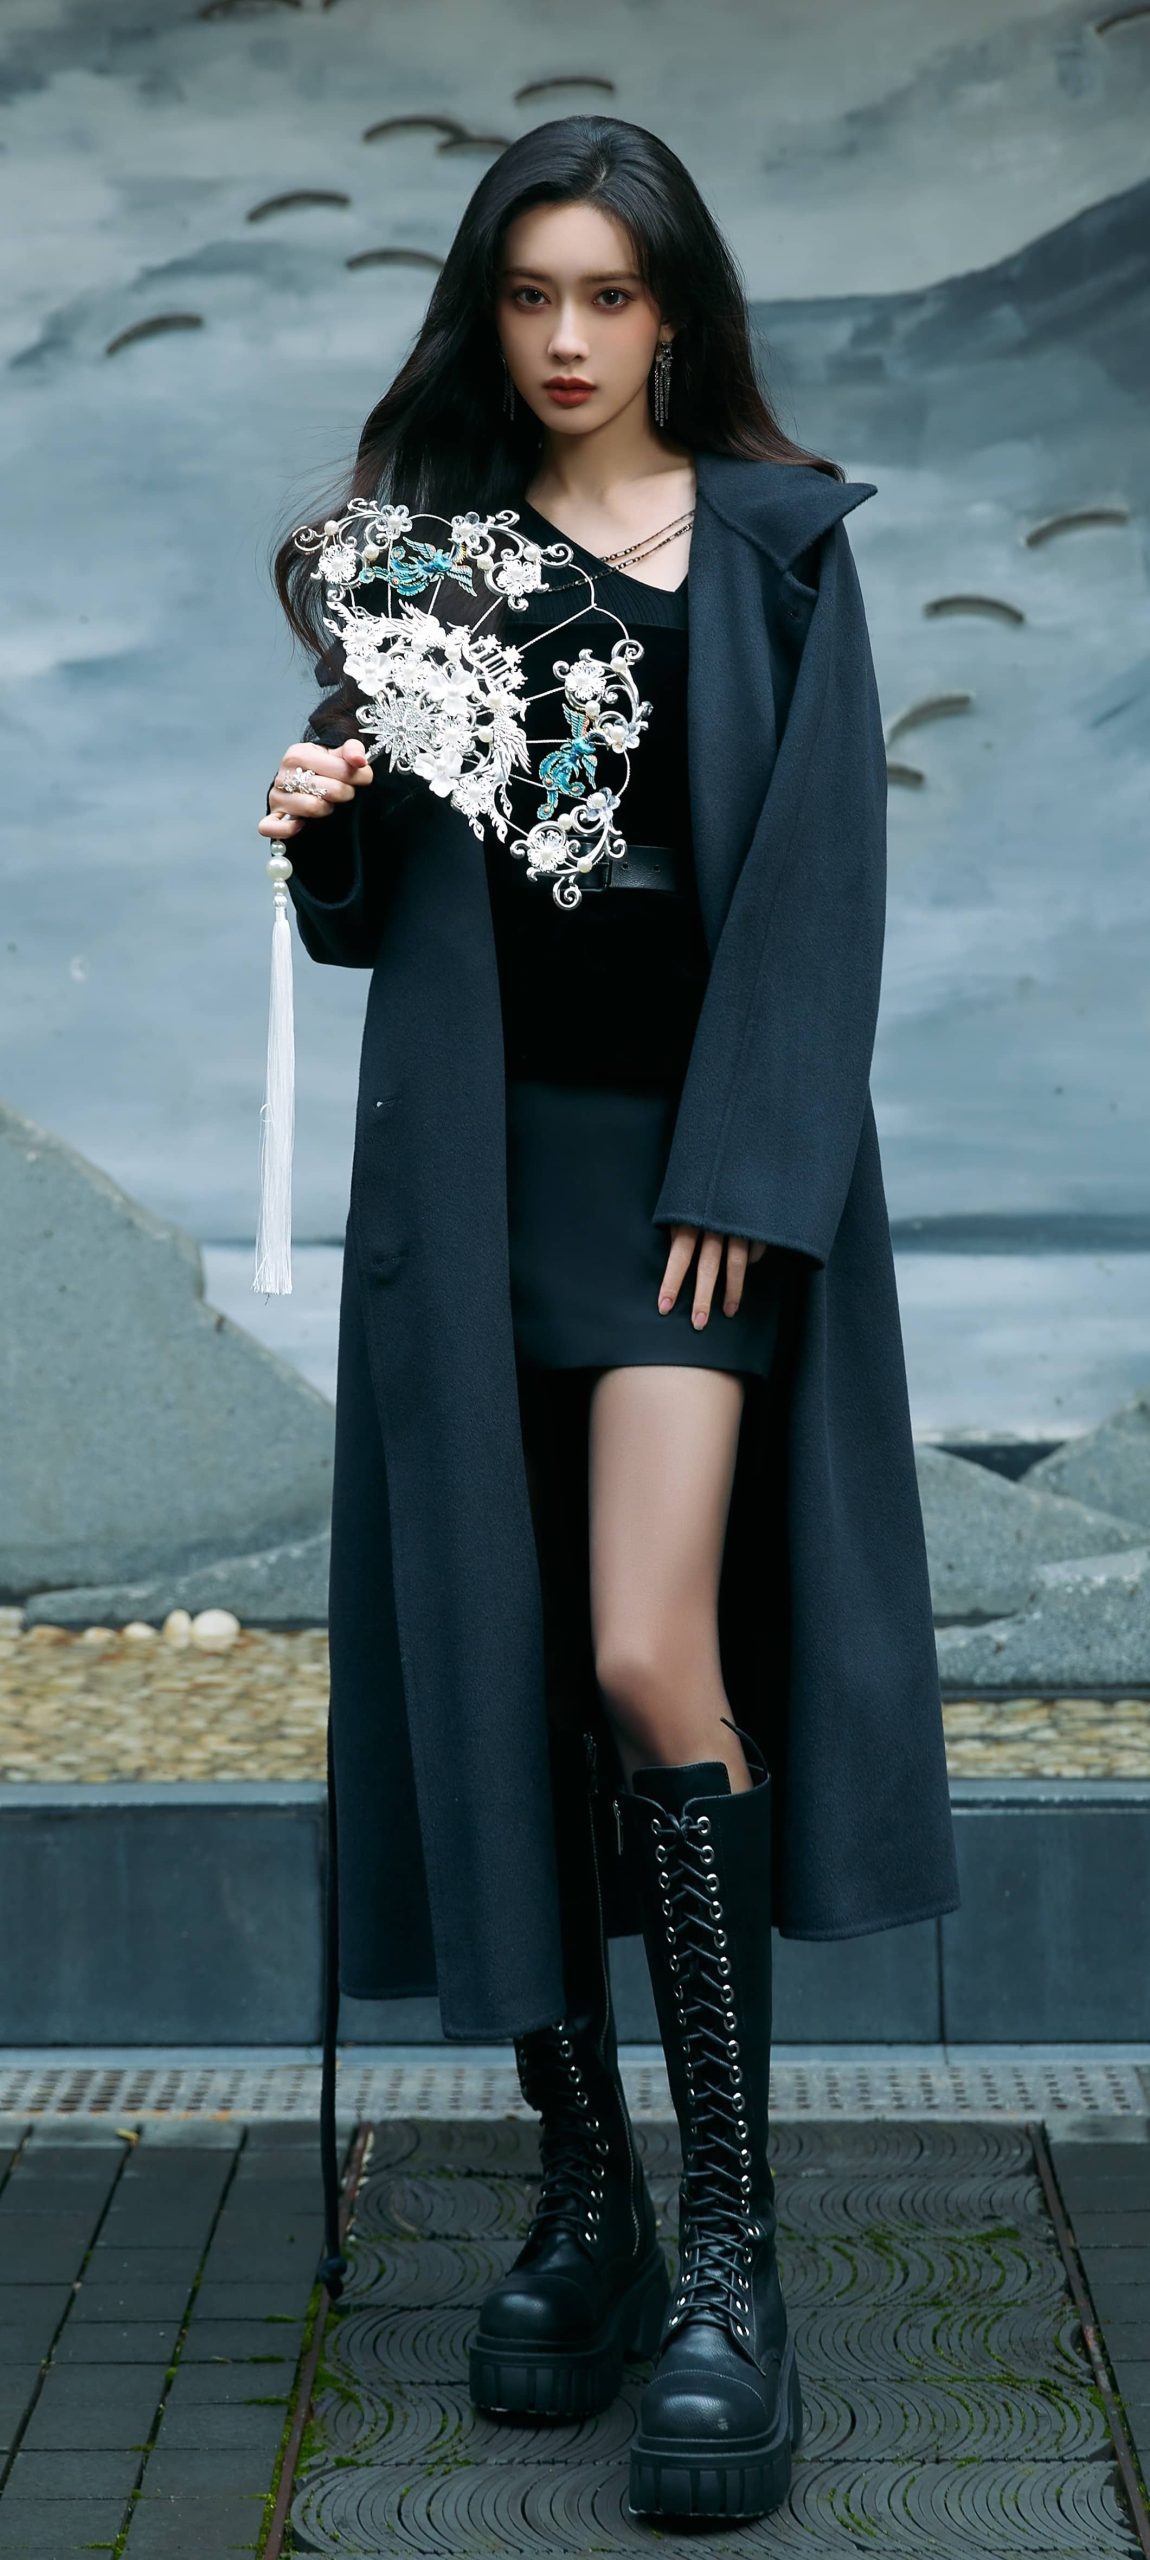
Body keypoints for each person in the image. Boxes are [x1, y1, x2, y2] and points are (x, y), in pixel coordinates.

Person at [259, 116, 960, 2524]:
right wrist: (325, 829)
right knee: (509, 1671)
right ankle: (590, 2192)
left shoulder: (775, 548)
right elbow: (387, 917)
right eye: (527, 294)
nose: (564, 338)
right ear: (490, 311)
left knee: (654, 1650)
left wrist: (750, 1173)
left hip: (691, 1197)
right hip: (477, 1183)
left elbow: (821, 890)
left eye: (606, 294)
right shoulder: (431, 563)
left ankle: (732, 2253)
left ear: (675, 314)